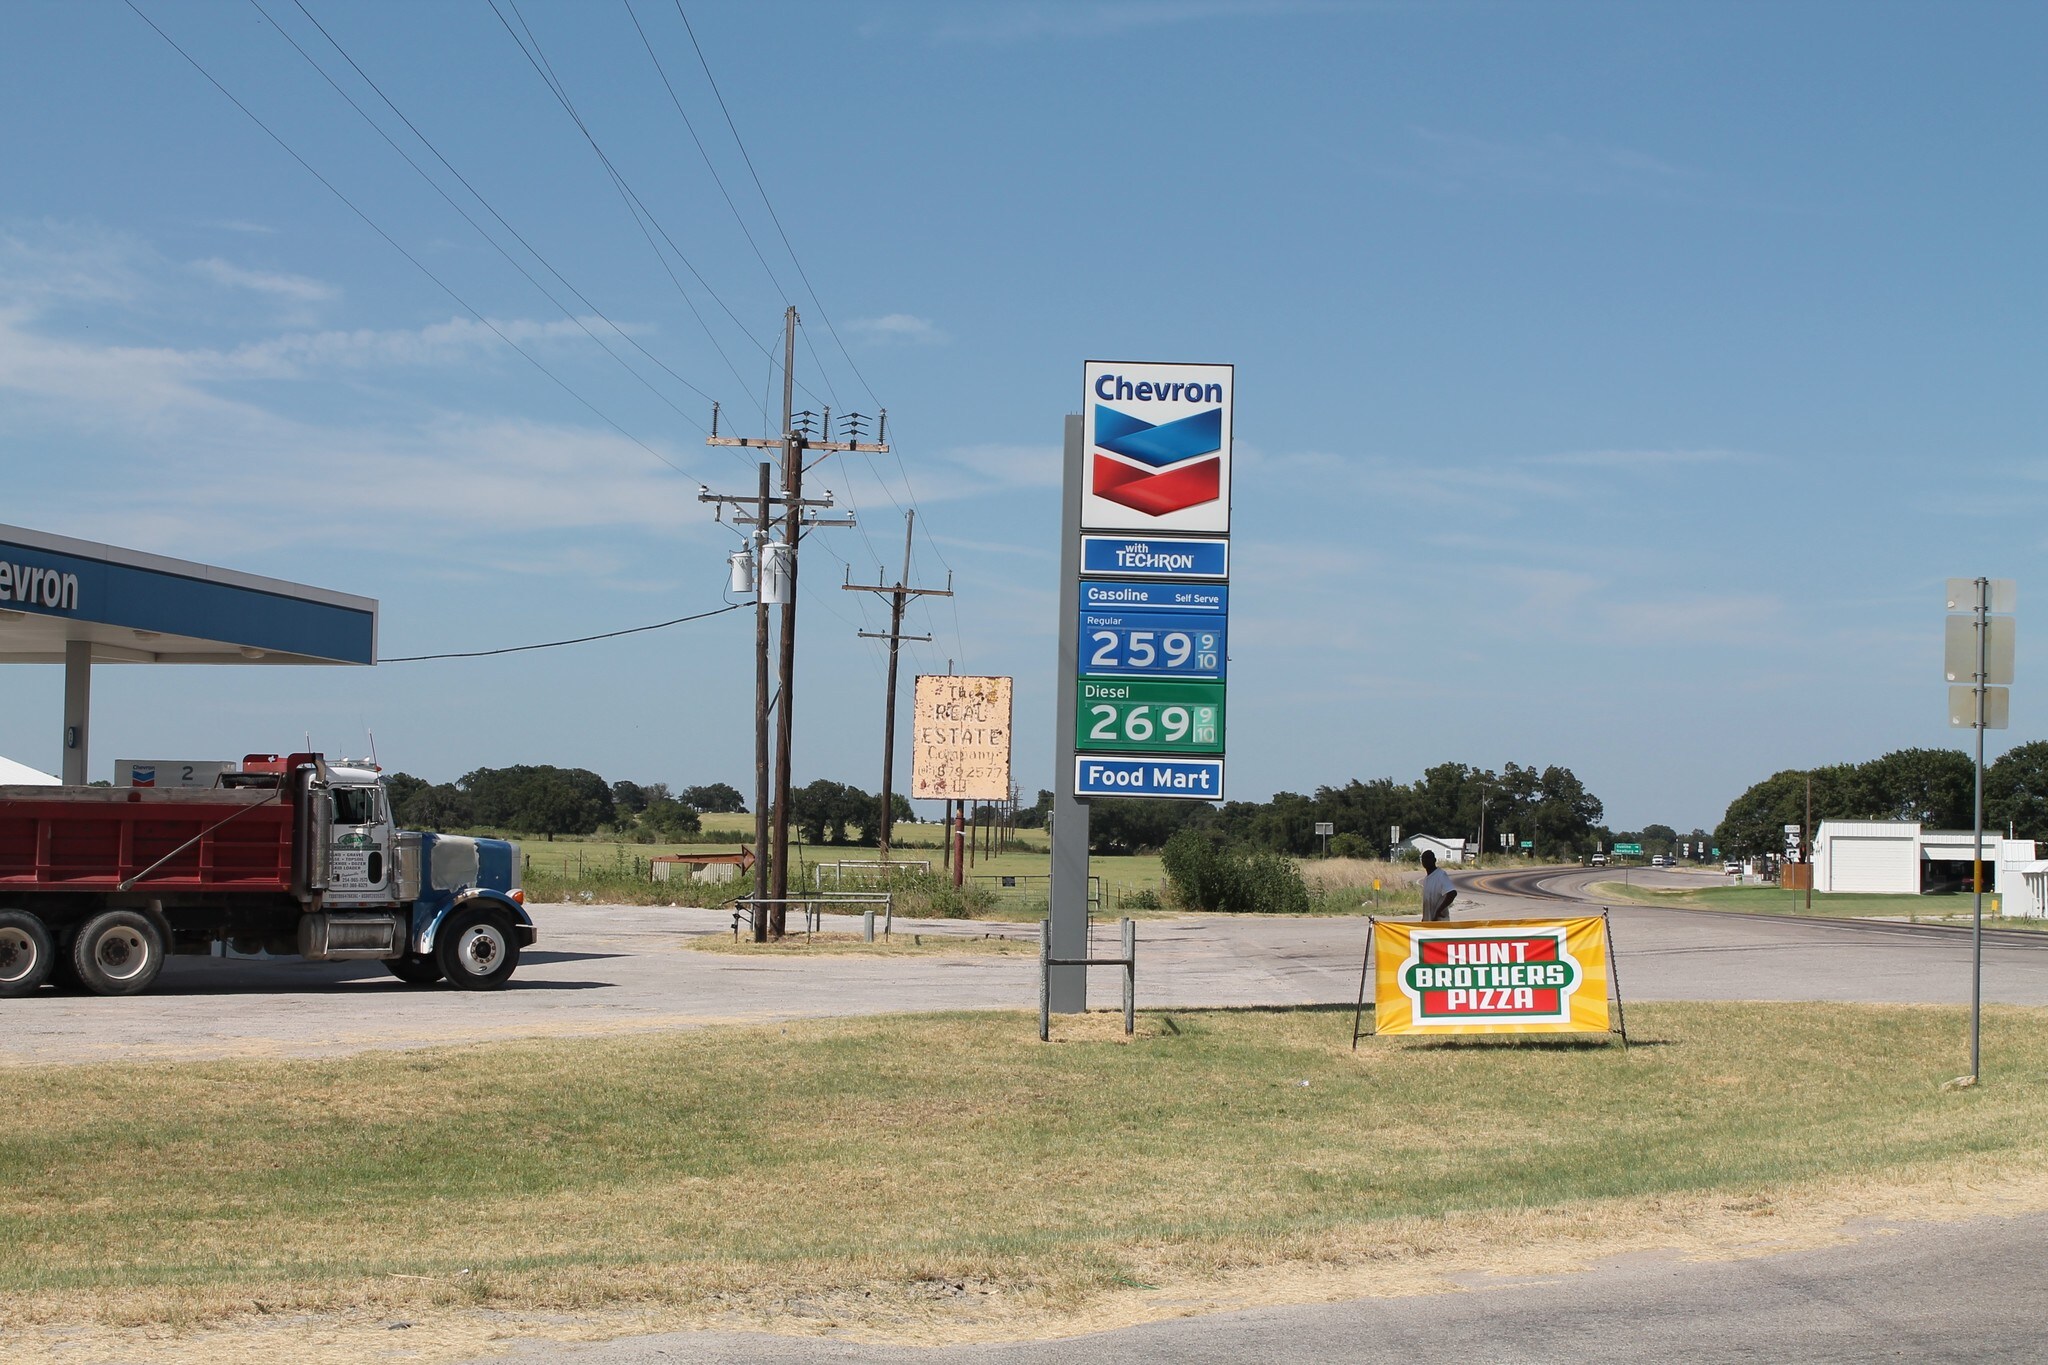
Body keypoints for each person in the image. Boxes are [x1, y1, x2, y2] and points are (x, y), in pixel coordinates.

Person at [1420, 849, 1457, 922]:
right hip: (1429, 923)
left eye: (1428, 858)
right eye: (1423, 859)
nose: (1425, 861)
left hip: (1440, 923)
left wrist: (1439, 911)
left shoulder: (1440, 875)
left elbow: (1452, 893)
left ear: (1434, 860)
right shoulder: (1426, 879)